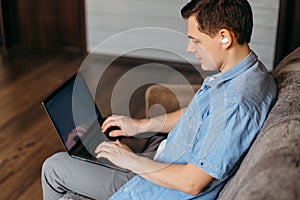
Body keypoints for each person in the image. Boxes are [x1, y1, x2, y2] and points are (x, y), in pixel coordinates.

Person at [41, 0, 277, 199]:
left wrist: (130, 160)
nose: (189, 48)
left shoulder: (236, 102)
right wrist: (142, 125)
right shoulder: (251, 73)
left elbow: (192, 183)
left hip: (157, 186)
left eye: (196, 40)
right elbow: (200, 114)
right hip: (162, 158)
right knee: (96, 144)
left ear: (224, 37)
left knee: (54, 167)